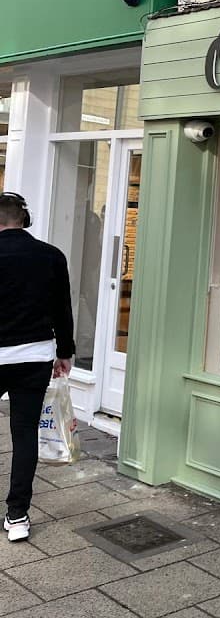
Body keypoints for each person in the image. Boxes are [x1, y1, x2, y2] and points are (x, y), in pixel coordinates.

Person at [0, 192, 74, 542]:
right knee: (25, 433)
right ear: (23, 220)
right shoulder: (51, 256)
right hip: (35, 356)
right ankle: (17, 516)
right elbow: (63, 308)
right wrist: (65, 351)